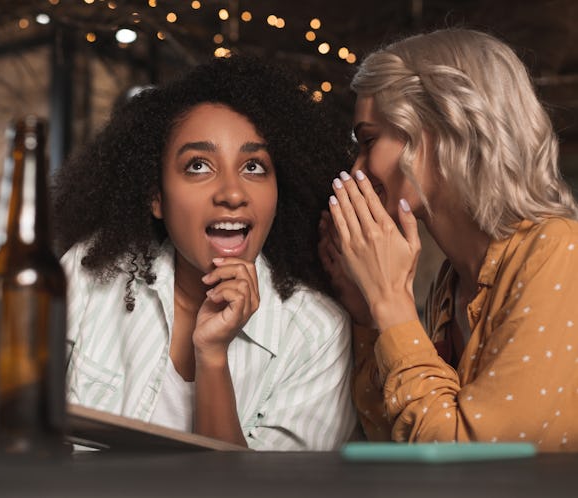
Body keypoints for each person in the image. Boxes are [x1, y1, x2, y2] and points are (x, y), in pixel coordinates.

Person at [53, 55, 357, 450]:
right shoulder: (89, 274)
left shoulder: (316, 334)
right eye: (198, 166)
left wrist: (212, 356)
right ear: (156, 197)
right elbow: (10, 422)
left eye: (253, 166)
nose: (232, 193)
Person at [319, 28, 578, 451]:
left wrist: (391, 302)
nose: (357, 170)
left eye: (368, 141)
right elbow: (394, 438)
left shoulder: (559, 250)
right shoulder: (449, 282)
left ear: (441, 129)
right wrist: (368, 314)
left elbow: (468, 459)